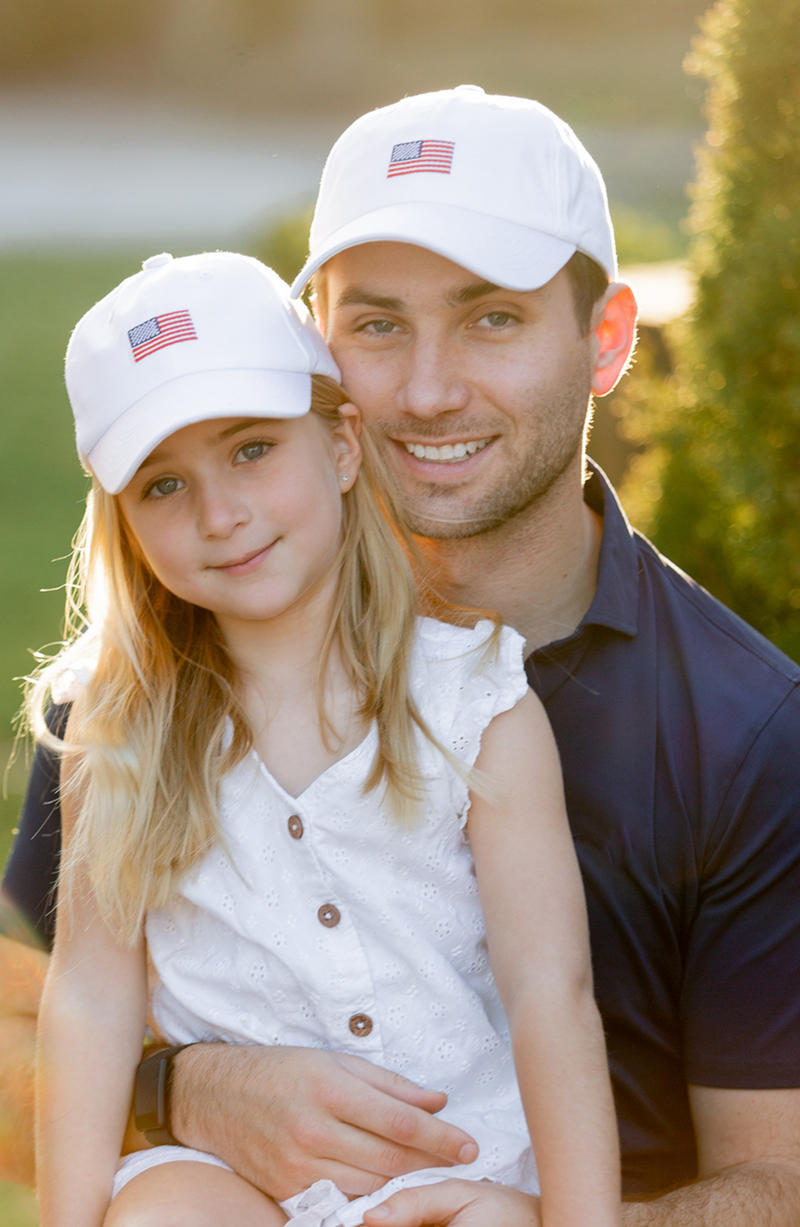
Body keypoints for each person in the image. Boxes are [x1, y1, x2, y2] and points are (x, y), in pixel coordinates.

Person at [4, 85, 800, 1226]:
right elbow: (40, 1023)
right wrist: (184, 1089)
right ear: (311, 353)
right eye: (376, 325)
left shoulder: (745, 739)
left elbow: (777, 1181)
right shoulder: (142, 691)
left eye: (491, 319)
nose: (425, 393)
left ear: (605, 340)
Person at [32, 249, 620, 1227]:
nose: (220, 515)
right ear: (125, 524)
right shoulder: (122, 728)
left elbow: (548, 994)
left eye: (252, 449)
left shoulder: (475, 702)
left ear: (341, 445)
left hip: (454, 1170)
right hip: (228, 1179)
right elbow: (90, 998)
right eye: (163, 487)